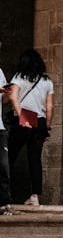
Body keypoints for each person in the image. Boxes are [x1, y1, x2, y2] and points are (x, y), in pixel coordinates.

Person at [7, 49, 54, 206]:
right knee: (35, 159)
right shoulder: (47, 82)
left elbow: (13, 97)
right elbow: (50, 106)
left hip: (22, 120)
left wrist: (22, 116)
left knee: (9, 157)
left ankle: (4, 193)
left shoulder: (19, 77)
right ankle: (35, 196)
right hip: (39, 120)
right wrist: (46, 126)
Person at [0, 42, 11, 214]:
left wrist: (8, 94)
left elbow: (3, 101)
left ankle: (3, 203)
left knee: (3, 165)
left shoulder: (0, 72)